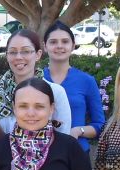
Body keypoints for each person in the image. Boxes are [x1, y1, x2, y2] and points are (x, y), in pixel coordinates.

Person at [0, 29, 71, 135]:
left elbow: (64, 134)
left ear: (38, 54)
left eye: (25, 51)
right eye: (13, 52)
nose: (18, 57)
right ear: (7, 56)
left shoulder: (55, 92)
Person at [43, 21, 105, 152]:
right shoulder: (36, 79)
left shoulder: (86, 81)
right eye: (53, 42)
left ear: (73, 45)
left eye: (65, 41)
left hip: (77, 152)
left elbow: (99, 124)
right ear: (45, 46)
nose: (59, 46)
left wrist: (78, 131)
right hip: (40, 153)